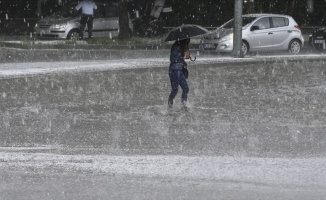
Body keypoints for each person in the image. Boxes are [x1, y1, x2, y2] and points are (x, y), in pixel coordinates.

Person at [168, 38, 191, 110]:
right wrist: (183, 56)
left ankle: (184, 105)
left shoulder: (181, 46)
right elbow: (173, 59)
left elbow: (180, 59)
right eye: (187, 42)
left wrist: (184, 60)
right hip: (174, 70)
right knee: (175, 89)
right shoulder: (176, 46)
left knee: (186, 88)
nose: (187, 44)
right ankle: (170, 107)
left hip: (179, 70)